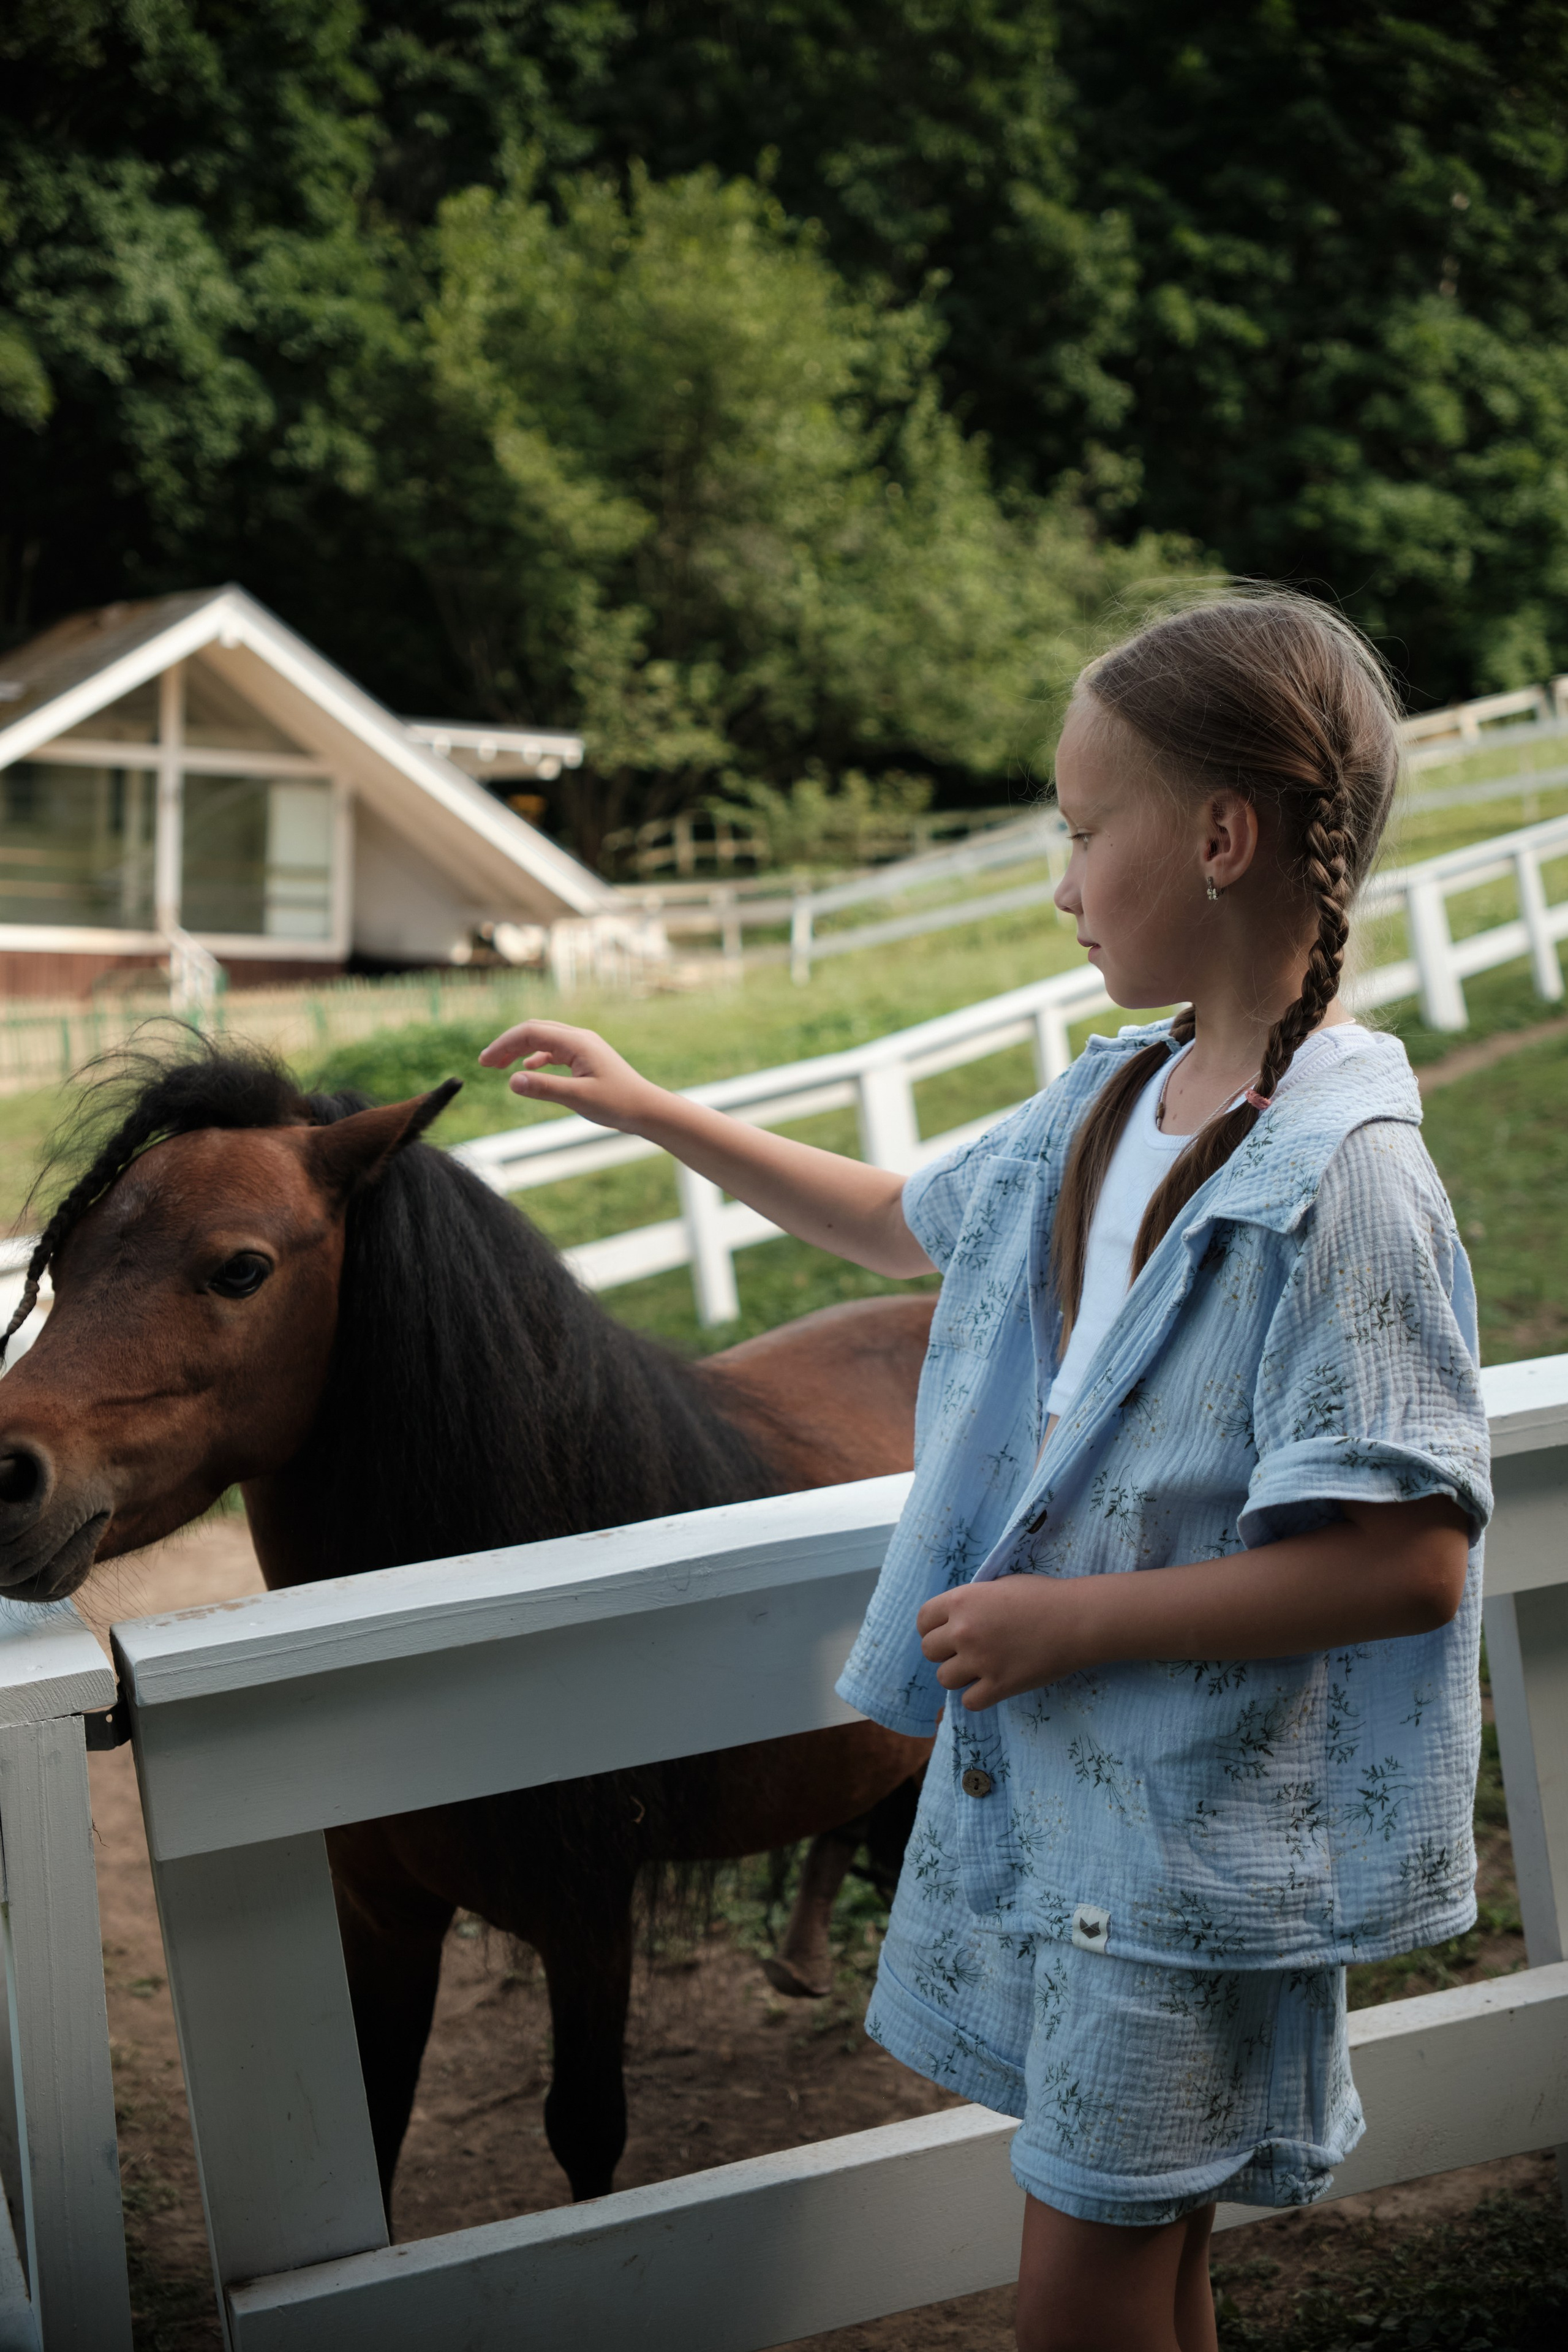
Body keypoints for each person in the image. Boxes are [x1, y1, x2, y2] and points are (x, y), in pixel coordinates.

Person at [477, 594, 1491, 2352]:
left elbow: (1411, 1563)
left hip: (1184, 1860)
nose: (1061, 878)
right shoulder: (1116, 1101)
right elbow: (891, 1219)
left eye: (1085, 830)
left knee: (1077, 2308)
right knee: (1144, 2281)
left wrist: (1070, 1623)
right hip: (1092, 1831)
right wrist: (653, 1110)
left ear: (1222, 837)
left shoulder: (1352, 1185)